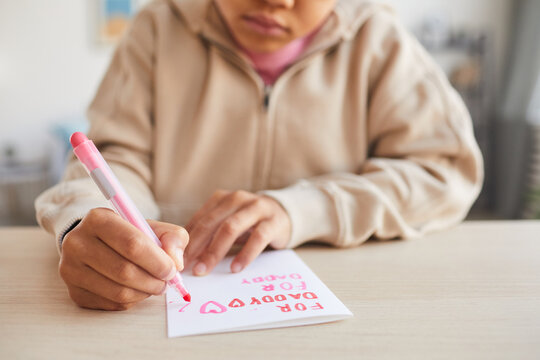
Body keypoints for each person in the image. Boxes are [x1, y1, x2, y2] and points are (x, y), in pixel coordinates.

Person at [35, 0, 483, 311]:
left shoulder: (380, 42)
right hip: (163, 317)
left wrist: (307, 208)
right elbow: (113, 161)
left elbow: (444, 170)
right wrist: (92, 225)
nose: (276, 3)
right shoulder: (157, 29)